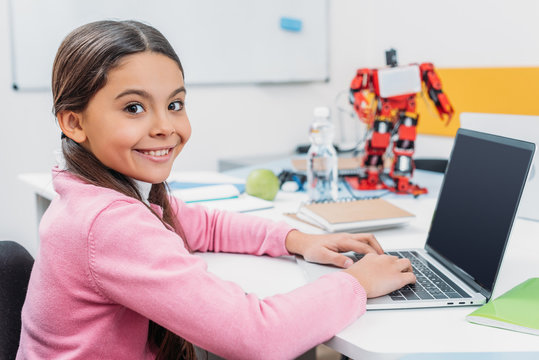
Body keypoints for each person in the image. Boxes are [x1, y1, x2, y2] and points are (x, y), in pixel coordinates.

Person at [17, 20, 415, 360]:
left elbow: (203, 224)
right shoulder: (107, 223)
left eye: (175, 104)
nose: (164, 126)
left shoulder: (96, 193)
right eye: (134, 108)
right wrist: (357, 284)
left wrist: (297, 239)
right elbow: (258, 337)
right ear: (74, 123)